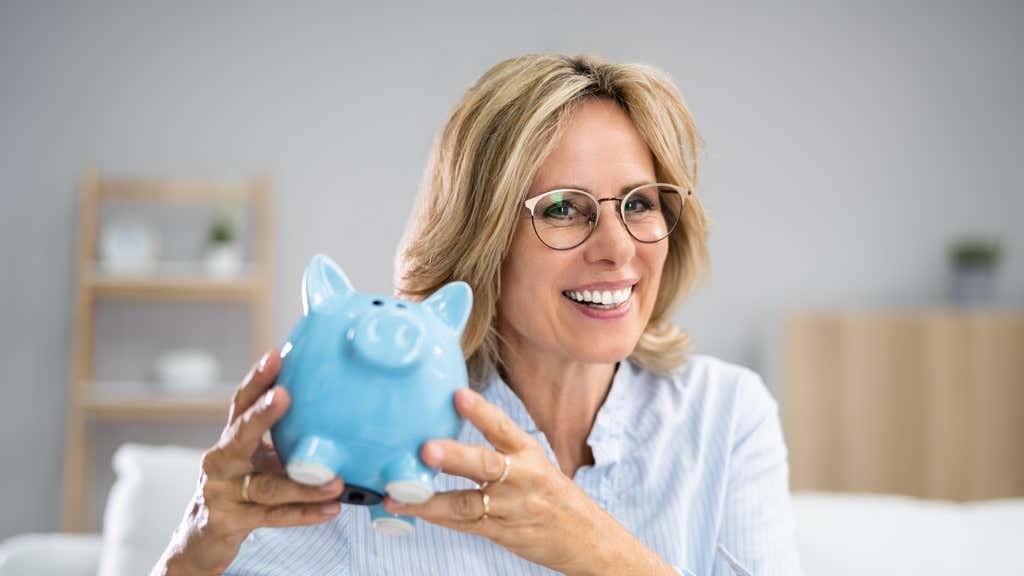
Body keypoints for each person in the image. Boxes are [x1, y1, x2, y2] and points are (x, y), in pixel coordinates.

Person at [153, 53, 802, 575]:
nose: (618, 247)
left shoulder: (726, 416)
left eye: (639, 203)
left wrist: (582, 541)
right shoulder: (375, 432)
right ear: (482, 240)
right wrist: (197, 549)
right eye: (562, 208)